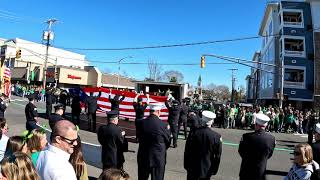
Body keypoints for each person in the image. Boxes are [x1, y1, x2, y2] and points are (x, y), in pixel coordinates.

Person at [184, 111, 222, 180]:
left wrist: (186, 165)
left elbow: (187, 150)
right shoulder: (216, 137)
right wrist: (214, 169)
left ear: (202, 120)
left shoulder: (194, 133)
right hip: (206, 169)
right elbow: (217, 156)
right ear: (212, 122)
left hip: (192, 167)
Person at [137, 102, 171, 180]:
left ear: (150, 111)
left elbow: (139, 137)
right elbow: (168, 142)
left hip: (143, 156)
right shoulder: (164, 125)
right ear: (159, 112)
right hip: (158, 158)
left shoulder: (141, 123)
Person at [238, 113, 276, 180]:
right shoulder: (272, 139)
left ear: (256, 124)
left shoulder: (246, 136)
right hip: (260, 171)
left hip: (246, 169)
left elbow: (241, 151)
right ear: (266, 125)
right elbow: (269, 154)